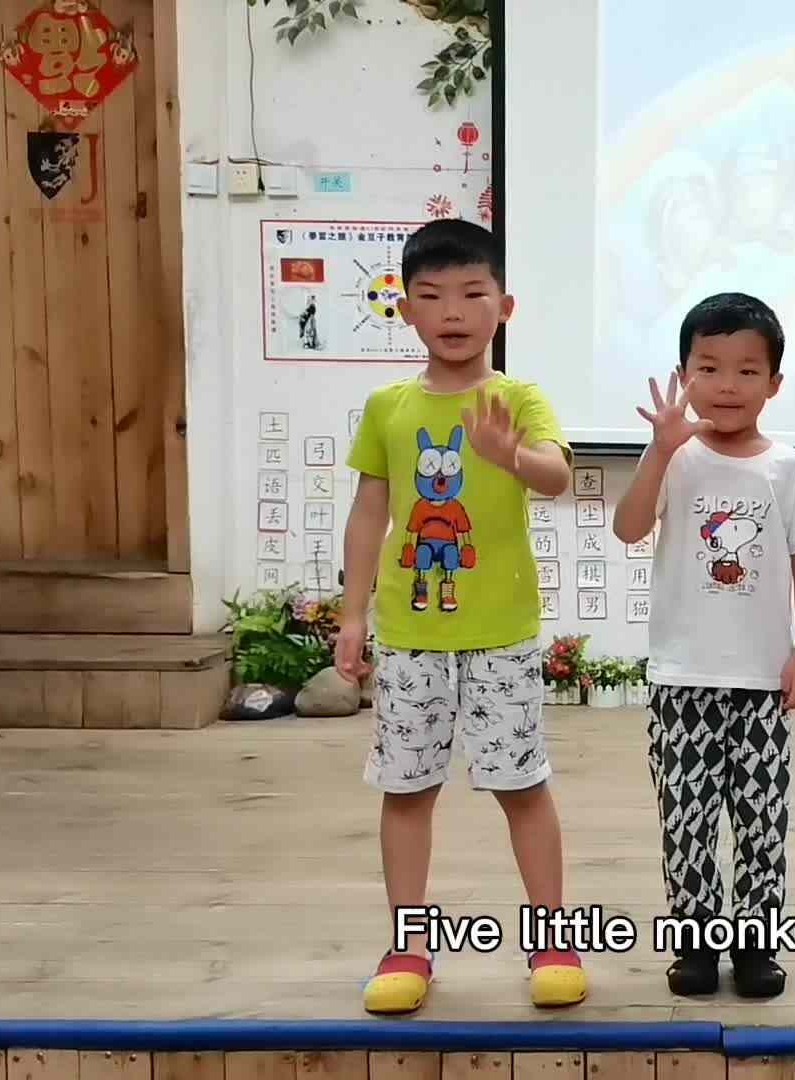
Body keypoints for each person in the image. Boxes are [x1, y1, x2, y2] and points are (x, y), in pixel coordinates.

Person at [335, 218, 583, 1015]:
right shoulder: (387, 406)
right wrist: (351, 616)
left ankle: (552, 936)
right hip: (410, 640)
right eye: (432, 295)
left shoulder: (518, 398)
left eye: (472, 293)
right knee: (406, 791)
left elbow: (556, 478)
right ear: (405, 310)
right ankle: (408, 944)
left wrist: (509, 454)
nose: (453, 310)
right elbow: (369, 513)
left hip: (501, 635)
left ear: (503, 305)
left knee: (521, 785)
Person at [611, 292, 795, 999]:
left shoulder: (789, 468)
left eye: (747, 371)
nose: (728, 386)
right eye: (709, 368)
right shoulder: (676, 461)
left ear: (773, 383)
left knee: (761, 821)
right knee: (686, 820)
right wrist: (659, 448)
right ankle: (695, 945)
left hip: (763, 682)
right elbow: (627, 527)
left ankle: (755, 946)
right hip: (681, 679)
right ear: (683, 377)